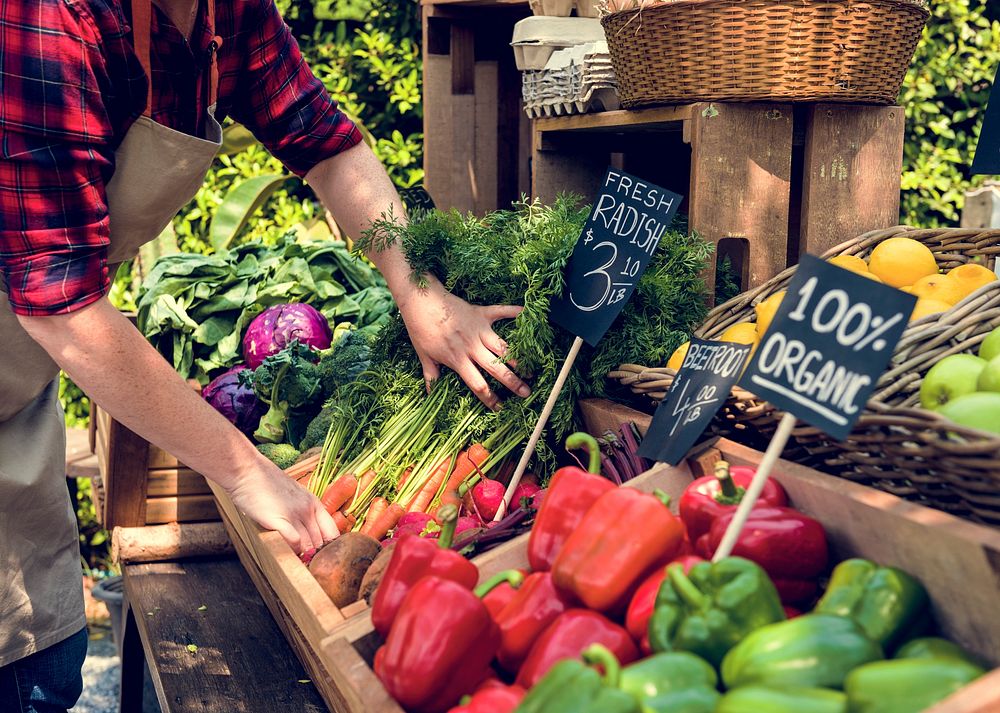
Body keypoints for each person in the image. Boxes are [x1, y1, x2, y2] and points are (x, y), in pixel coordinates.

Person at [0, 0, 530, 709]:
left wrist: (418, 289)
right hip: (39, 329)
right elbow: (65, 308)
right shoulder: (47, 22)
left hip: (16, 381)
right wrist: (247, 472)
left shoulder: (228, 14)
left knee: (45, 668)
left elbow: (328, 146)